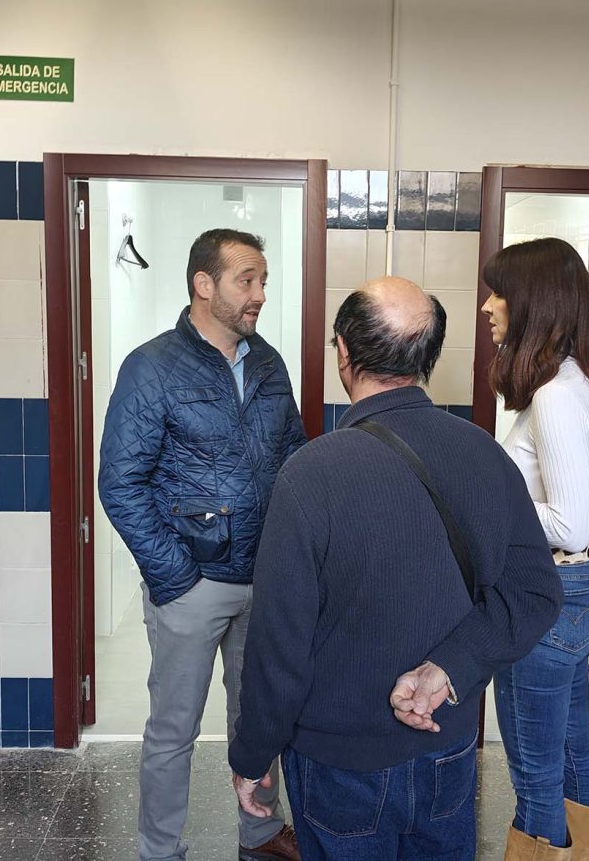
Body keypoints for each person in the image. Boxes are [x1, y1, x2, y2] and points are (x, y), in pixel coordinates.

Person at [228, 277, 563, 861]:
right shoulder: (485, 454)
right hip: (448, 747)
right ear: (426, 360)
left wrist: (252, 756)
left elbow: (279, 642)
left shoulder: (310, 474)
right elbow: (535, 594)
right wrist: (449, 669)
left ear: (343, 352)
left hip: (339, 762)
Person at [98, 228, 306, 861]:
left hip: (263, 580)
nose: (260, 294)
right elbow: (120, 482)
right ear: (204, 285)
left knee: (260, 723)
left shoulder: (268, 363)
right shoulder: (152, 366)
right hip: (190, 584)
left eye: (264, 280)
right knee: (173, 732)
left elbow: (293, 453)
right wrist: (176, 577)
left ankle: (262, 834)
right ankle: (160, 849)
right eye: (247, 280)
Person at [479, 237, 589, 860]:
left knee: (537, 771)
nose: (488, 306)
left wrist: (487, 507)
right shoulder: (579, 380)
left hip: (548, 600)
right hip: (578, 590)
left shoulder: (557, 394)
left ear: (534, 301)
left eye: (499, 292)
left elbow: (569, 521)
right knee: (571, 749)